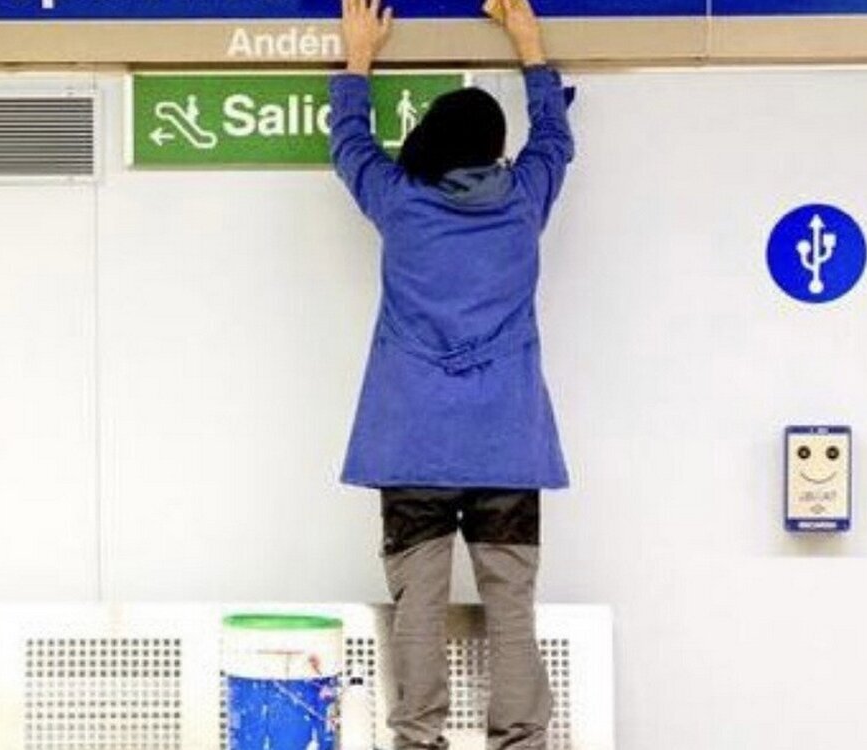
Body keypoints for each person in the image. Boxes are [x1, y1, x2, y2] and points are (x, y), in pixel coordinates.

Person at [329, 0, 575, 748]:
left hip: (412, 444)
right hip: (505, 441)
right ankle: (521, 741)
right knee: (511, 606)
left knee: (418, 608)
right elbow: (556, 138)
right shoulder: (524, 201)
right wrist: (528, 42)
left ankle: (418, 738)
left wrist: (360, 56)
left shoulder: (401, 204)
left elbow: (349, 144)